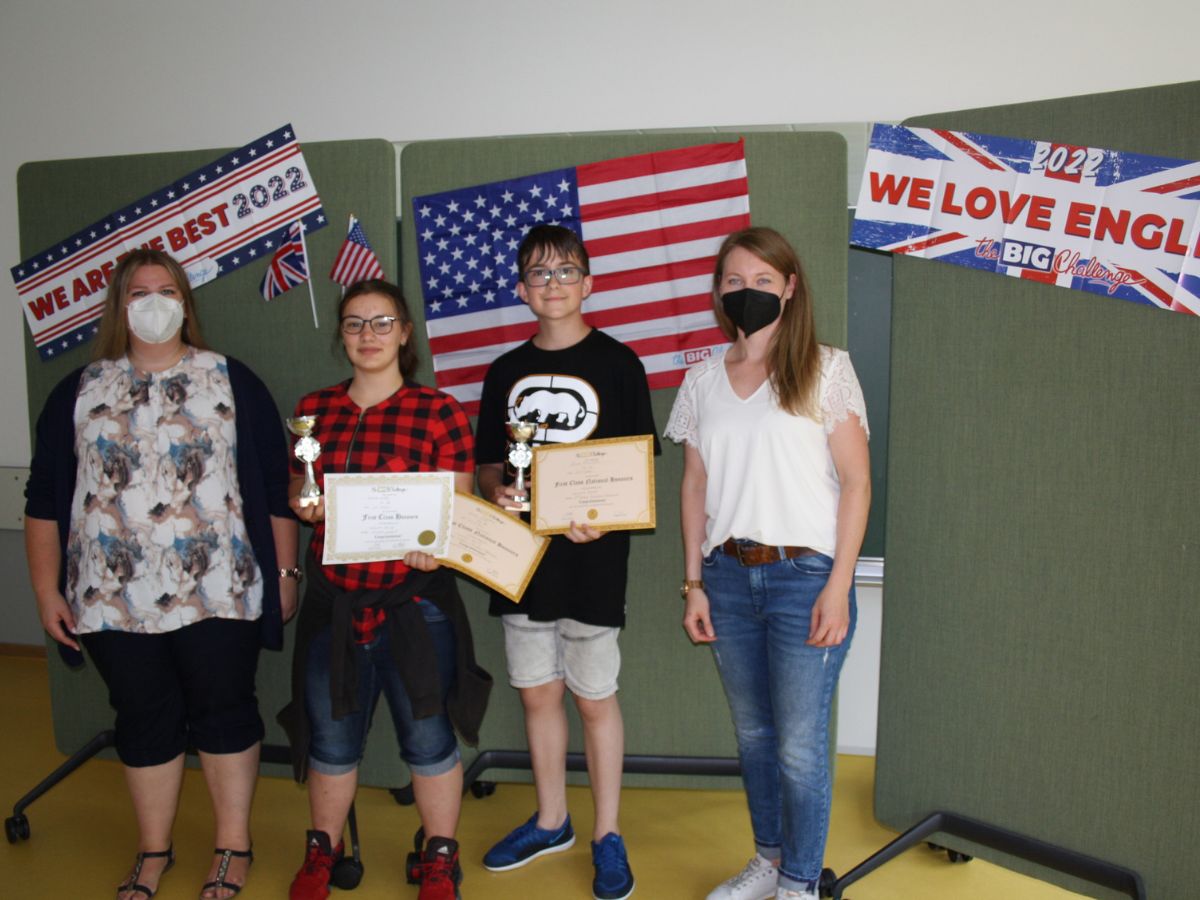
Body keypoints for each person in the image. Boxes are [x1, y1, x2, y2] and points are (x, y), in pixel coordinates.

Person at [24, 248, 299, 900]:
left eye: (166, 289)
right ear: (119, 305)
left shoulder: (231, 382)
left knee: (225, 710)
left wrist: (285, 572)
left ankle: (233, 848)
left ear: (185, 301)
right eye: (138, 291)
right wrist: (44, 590)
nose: (153, 301)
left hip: (219, 589)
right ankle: (153, 852)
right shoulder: (81, 391)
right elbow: (43, 501)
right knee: (143, 715)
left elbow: (272, 488)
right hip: (112, 597)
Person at [664, 227, 870, 900]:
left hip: (805, 578)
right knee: (753, 738)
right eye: (732, 282)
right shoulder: (701, 380)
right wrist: (693, 583)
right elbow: (694, 484)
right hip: (726, 577)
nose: (745, 292)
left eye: (760, 281)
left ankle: (801, 884)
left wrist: (840, 585)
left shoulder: (826, 368)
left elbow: (857, 483)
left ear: (789, 286)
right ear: (717, 292)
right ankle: (770, 860)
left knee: (798, 748)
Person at [281, 279, 491, 900]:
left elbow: (459, 506)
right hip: (335, 608)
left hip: (415, 606)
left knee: (429, 737)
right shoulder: (314, 411)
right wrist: (306, 504)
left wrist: (438, 542)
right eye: (353, 324)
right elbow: (298, 488)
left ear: (404, 332)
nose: (367, 336)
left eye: (381, 323)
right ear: (340, 335)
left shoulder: (440, 411)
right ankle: (324, 847)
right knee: (332, 736)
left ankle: (439, 854)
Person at [475, 224, 657, 900]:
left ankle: (608, 833)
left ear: (589, 283)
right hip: (523, 562)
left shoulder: (619, 365)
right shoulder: (504, 371)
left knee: (595, 700)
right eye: (539, 274)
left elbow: (635, 473)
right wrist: (495, 488)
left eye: (565, 271)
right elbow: (488, 464)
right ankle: (552, 819)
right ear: (522, 290)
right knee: (537, 693)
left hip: (593, 565)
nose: (552, 283)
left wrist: (603, 517)